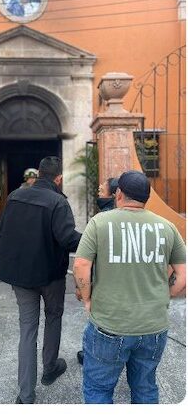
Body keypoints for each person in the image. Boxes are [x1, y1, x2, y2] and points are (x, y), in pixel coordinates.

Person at [74, 170, 185, 404]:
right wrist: (166, 296)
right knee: (145, 388)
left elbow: (82, 264)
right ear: (147, 197)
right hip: (153, 326)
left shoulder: (99, 223)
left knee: (99, 389)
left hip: (109, 324)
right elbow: (182, 274)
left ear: (119, 194)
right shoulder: (167, 227)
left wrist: (87, 299)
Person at [0, 156, 82, 404]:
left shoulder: (15, 197)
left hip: (21, 276)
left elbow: (1, 230)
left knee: (27, 330)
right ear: (58, 178)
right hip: (50, 276)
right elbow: (68, 239)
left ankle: (26, 396)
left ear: (39, 174)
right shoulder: (58, 202)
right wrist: (94, 238)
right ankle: (50, 368)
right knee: (53, 318)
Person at [76, 176, 119, 365]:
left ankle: (91, 354)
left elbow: (84, 263)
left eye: (101, 191)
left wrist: (83, 289)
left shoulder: (100, 221)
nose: (98, 194)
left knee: (97, 323)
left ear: (115, 194)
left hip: (103, 285)